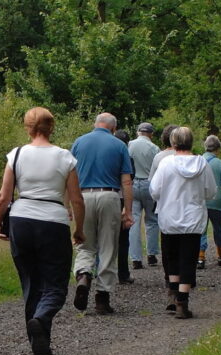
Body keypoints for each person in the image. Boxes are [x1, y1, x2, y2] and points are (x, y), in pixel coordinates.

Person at [0, 107, 84, 355]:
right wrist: (79, 229)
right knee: (56, 285)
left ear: (28, 128)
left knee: (31, 282)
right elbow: (77, 199)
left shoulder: (16, 154)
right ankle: (42, 319)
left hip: (21, 220)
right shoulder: (64, 157)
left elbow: (3, 197)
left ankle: (39, 340)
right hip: (54, 221)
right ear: (51, 127)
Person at [148, 127, 217, 319]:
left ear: (173, 143)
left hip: (169, 217)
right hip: (193, 218)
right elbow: (211, 192)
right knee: (188, 259)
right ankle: (182, 302)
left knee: (171, 257)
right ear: (191, 142)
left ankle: (172, 292)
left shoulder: (166, 163)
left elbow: (154, 191)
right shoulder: (202, 164)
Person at [68, 113, 133, 315]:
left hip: (83, 197)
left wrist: (67, 205)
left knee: (84, 244)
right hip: (109, 196)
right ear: (113, 129)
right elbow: (126, 182)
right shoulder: (119, 146)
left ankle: (83, 276)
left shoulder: (79, 142)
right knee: (108, 247)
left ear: (95, 125)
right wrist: (128, 211)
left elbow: (69, 175)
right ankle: (102, 298)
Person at [127, 122, 161, 271]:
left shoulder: (129, 145)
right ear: (151, 134)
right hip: (149, 184)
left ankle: (136, 258)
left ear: (138, 132)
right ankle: (151, 254)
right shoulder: (154, 148)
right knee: (152, 220)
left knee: (134, 221)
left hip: (132, 184)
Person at [198, 135, 221, 267]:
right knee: (218, 228)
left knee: (201, 229)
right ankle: (220, 255)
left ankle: (201, 257)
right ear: (218, 149)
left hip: (200, 201)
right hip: (217, 201)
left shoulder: (198, 161)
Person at [112, 128, 134, 285]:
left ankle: (100, 271)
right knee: (123, 239)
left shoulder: (106, 155)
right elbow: (129, 181)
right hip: (121, 198)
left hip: (108, 196)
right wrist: (128, 208)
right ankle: (123, 273)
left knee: (103, 237)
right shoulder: (128, 158)